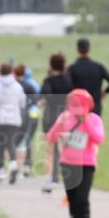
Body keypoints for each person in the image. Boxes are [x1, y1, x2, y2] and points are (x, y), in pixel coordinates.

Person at [45, 89, 105, 218]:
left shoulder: (94, 119)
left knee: (82, 198)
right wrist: (60, 130)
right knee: (72, 200)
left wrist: (85, 121)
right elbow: (50, 137)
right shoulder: (65, 118)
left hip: (87, 163)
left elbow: (99, 138)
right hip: (68, 163)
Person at [0, 62, 27, 184]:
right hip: (13, 118)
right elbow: (23, 102)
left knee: (0, 144)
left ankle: (0, 170)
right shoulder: (17, 85)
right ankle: (13, 163)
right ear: (11, 71)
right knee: (11, 142)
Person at [40, 54, 72, 193]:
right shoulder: (69, 80)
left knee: (50, 149)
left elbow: (45, 96)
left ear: (51, 65)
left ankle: (49, 180)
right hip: (66, 116)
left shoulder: (48, 81)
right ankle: (63, 177)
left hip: (51, 116)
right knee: (64, 148)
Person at [67, 38, 109, 116]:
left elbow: (67, 87)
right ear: (89, 48)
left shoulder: (71, 68)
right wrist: (104, 91)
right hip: (95, 106)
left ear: (77, 49)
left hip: (78, 106)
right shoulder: (98, 67)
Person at [14, 63, 41, 176]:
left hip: (15, 116)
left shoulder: (14, 85)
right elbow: (35, 102)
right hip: (29, 117)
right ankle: (26, 165)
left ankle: (18, 165)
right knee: (26, 141)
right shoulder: (31, 85)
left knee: (16, 141)